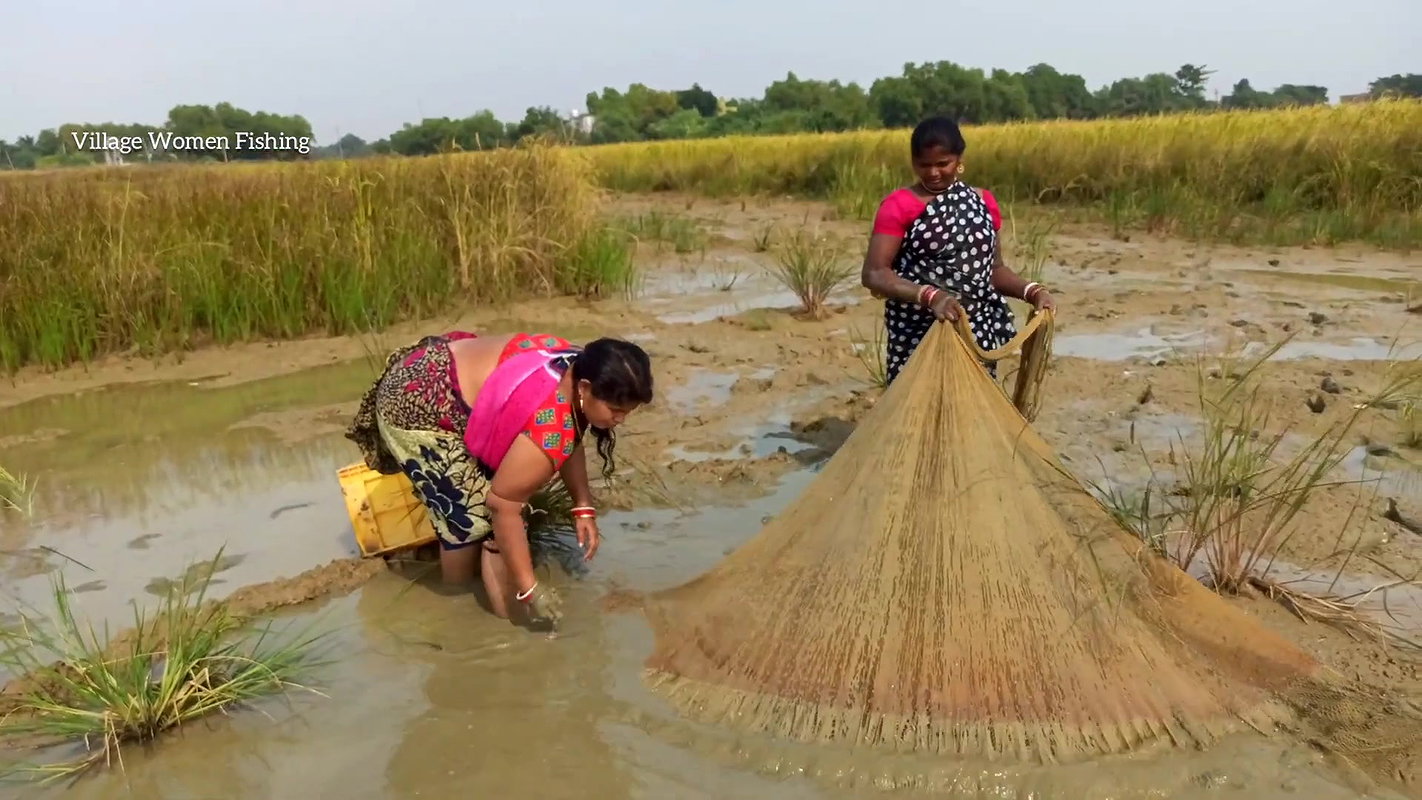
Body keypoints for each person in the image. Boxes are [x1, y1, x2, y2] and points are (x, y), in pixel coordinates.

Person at [345, 331, 654, 626]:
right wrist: (530, 589)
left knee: (492, 498)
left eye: (628, 411)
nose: (621, 420)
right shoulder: (550, 425)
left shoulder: (577, 362)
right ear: (585, 388)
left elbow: (572, 433)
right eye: (615, 410)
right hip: (415, 401)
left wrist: (582, 505)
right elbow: (502, 505)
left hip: (435, 366)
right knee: (469, 519)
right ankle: (457, 600)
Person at [860, 116, 1058, 384]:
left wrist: (1033, 292)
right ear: (912, 162)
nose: (933, 173)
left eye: (943, 164)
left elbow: (993, 270)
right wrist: (931, 297)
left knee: (969, 410)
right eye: (924, 165)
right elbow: (875, 273)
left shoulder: (982, 202)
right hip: (917, 334)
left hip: (975, 333)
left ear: (959, 159)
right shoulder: (899, 205)